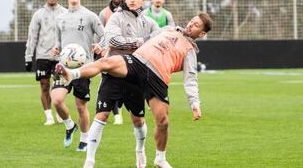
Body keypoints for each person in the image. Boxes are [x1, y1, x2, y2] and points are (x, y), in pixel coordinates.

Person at [57, 12, 213, 168]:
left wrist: (195, 104)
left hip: (157, 77)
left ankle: (160, 158)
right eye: (192, 21)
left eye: (196, 25)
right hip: (137, 61)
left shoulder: (190, 51)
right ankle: (72, 73)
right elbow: (141, 40)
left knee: (163, 122)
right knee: (105, 62)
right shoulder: (167, 29)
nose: (191, 24)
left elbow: (190, 78)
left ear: (202, 33)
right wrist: (106, 45)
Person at [84, 0, 160, 168]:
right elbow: (112, 40)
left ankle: (139, 150)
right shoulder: (116, 17)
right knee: (101, 116)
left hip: (135, 78)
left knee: (138, 120)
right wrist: (141, 42)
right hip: (113, 75)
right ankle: (89, 161)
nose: (132, 0)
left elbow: (158, 40)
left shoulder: (148, 22)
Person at [50, 0, 105, 152]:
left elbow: (104, 35)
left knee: (80, 106)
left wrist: (100, 45)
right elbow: (58, 43)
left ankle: (84, 139)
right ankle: (69, 125)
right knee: (57, 101)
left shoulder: (90, 16)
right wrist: (56, 49)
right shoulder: (60, 19)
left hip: (83, 68)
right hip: (62, 66)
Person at [24, 0, 67, 126]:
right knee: (44, 85)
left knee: (59, 86)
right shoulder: (38, 14)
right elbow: (32, 36)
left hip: (60, 56)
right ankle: (49, 117)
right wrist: (28, 57)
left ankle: (59, 113)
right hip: (43, 55)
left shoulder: (65, 13)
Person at [98, 0, 125, 125]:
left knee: (124, 84)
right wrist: (101, 48)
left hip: (126, 53)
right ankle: (116, 115)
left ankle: (119, 107)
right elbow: (101, 34)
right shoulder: (104, 13)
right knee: (110, 83)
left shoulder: (129, 12)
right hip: (109, 54)